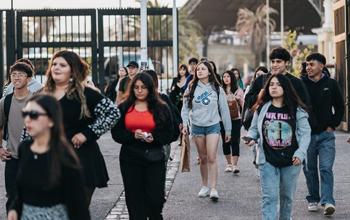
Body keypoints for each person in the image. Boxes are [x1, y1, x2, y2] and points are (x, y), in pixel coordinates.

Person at [41, 50, 120, 206]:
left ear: (73, 70)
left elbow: (113, 113)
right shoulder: (42, 95)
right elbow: (29, 127)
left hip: (81, 161)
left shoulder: (85, 94)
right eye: (54, 64)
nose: (56, 68)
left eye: (62, 65)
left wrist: (87, 134)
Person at [7, 94, 90, 220]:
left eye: (34, 115)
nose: (27, 120)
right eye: (25, 113)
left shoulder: (65, 156)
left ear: (51, 120)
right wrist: (14, 208)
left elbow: (79, 206)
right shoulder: (25, 148)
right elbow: (20, 189)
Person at [245, 73, 311, 220]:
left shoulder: (296, 109)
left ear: (286, 88)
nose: (274, 87)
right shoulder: (262, 108)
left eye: (278, 84)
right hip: (267, 160)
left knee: (287, 198)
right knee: (269, 197)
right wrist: (251, 137)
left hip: (291, 161)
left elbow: (306, 133)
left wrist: (300, 153)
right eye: (271, 84)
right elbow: (255, 128)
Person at [111, 73, 174, 220]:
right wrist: (133, 135)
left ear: (150, 89)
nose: (139, 91)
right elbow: (116, 133)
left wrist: (154, 137)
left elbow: (169, 132)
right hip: (130, 157)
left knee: (155, 199)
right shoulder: (124, 107)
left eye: (143, 87)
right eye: (136, 87)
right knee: (134, 198)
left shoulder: (161, 107)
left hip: (154, 157)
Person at [181, 61, 231, 201]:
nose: (200, 71)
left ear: (210, 72)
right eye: (198, 69)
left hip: (213, 125)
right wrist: (185, 124)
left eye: (203, 69)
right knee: (202, 158)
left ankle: (214, 188)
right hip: (197, 126)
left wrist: (228, 130)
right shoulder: (191, 87)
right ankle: (204, 186)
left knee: (211, 157)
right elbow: (185, 108)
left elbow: (224, 110)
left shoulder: (216, 88)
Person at [302, 53, 344, 216]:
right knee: (310, 168)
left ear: (321, 66)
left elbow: (340, 107)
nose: (308, 68)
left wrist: (332, 125)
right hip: (307, 135)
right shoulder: (301, 83)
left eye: (311, 64)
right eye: (306, 65)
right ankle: (313, 198)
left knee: (326, 168)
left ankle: (328, 201)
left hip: (326, 135)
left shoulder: (331, 84)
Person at [244, 47, 310, 130]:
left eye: (278, 61)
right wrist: (259, 96)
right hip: (264, 129)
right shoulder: (261, 80)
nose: (275, 65)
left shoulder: (296, 82)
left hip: (289, 128)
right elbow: (248, 101)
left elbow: (305, 105)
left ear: (287, 63)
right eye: (273, 62)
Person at [0, 62, 33, 213]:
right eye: (13, 75)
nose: (16, 77)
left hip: (34, 158)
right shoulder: (4, 102)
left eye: (21, 74)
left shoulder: (37, 101)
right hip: (12, 158)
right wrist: (0, 148)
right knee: (12, 199)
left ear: (29, 79)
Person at [220, 70, 244, 173]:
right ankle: (229, 163)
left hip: (235, 119)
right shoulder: (220, 90)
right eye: (224, 76)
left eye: (228, 76)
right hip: (222, 120)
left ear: (232, 78)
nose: (226, 78)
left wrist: (237, 98)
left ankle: (235, 165)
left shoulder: (238, 90)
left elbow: (243, 105)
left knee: (235, 141)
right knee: (225, 141)